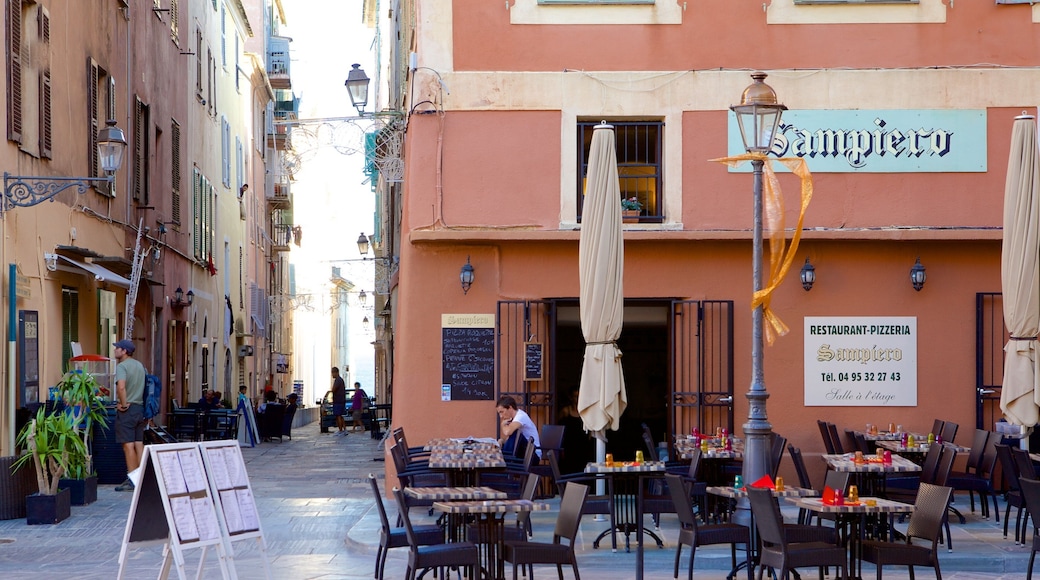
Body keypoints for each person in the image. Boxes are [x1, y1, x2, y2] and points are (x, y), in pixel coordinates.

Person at [113, 339, 147, 492]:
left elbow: (121, 387)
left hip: (128, 409)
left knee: (128, 445)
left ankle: (133, 479)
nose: (115, 350)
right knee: (139, 443)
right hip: (140, 409)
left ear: (124, 351)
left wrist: (124, 403)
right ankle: (143, 478)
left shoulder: (122, 366)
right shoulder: (140, 365)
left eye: (117, 348)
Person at [558, 387, 593, 474]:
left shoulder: (585, 411)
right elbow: (559, 427)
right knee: (570, 467)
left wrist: (589, 438)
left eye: (579, 396)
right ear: (571, 398)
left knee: (582, 467)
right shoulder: (566, 411)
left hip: (582, 444)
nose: (578, 399)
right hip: (569, 444)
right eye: (575, 396)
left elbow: (590, 426)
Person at [331, 367, 347, 435]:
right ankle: (344, 429)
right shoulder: (340, 380)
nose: (332, 375)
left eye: (332, 373)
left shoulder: (338, 380)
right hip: (341, 400)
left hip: (338, 401)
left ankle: (340, 430)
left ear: (336, 372)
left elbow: (333, 389)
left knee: (338, 415)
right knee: (340, 415)